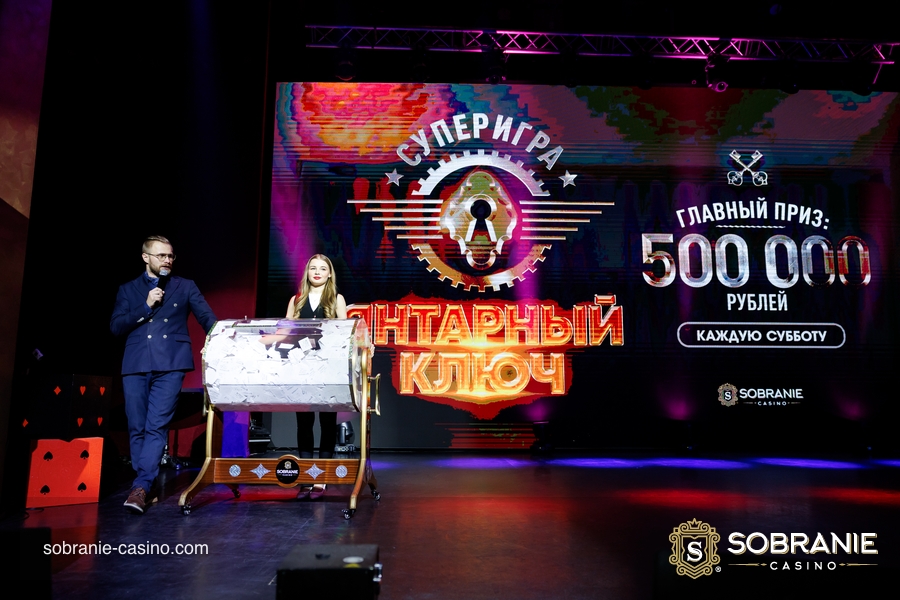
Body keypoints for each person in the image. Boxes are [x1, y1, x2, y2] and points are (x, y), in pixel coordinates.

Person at [110, 235, 217, 514]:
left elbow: (208, 319)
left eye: (170, 256)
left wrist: (219, 340)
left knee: (156, 426)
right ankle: (145, 483)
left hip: (170, 363)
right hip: (136, 364)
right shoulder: (128, 289)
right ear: (145, 257)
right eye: (161, 256)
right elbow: (116, 327)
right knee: (137, 426)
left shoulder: (185, 286)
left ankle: (141, 486)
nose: (168, 260)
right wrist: (146, 306)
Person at [286, 254, 347, 499]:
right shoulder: (296, 300)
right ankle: (305, 478)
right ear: (307, 272)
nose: (318, 272)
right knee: (304, 422)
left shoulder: (336, 299)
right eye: (313, 268)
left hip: (327, 370)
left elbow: (344, 335)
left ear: (330, 273)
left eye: (323, 268)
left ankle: (321, 477)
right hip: (301, 370)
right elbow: (285, 333)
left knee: (327, 423)